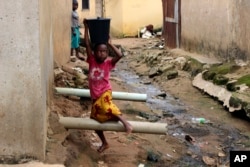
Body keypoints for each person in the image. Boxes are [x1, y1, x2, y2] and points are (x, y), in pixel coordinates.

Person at [83, 18, 133, 153]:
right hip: (95, 96)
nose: (102, 53)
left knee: (106, 106)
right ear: (94, 52)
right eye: (99, 51)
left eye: (104, 51)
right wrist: (86, 28)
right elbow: (87, 43)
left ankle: (125, 122)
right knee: (95, 121)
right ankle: (105, 143)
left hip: (105, 92)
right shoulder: (92, 60)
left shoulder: (108, 64)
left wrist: (110, 44)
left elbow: (120, 55)